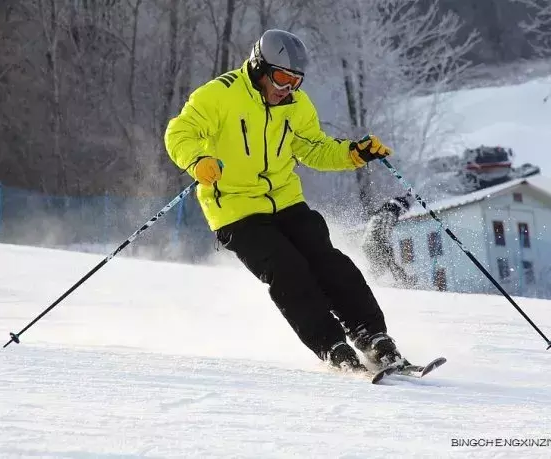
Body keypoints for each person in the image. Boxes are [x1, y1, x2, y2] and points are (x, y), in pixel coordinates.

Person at [164, 29, 411, 372]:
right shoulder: (219, 95)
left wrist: (353, 153)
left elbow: (313, 148)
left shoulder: (296, 105)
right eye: (281, 78)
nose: (287, 89)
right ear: (259, 67)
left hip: (285, 200)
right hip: (236, 209)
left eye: (295, 82)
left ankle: (373, 337)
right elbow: (179, 133)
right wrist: (197, 160)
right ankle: (332, 346)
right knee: (287, 269)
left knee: (329, 261)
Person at [361, 196, 417, 287]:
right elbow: (384, 231)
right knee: (387, 261)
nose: (401, 215)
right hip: (376, 243)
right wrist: (387, 246)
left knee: (379, 266)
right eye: (403, 212)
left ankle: (367, 280)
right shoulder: (389, 214)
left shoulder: (380, 213)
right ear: (399, 208)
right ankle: (403, 281)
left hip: (367, 243)